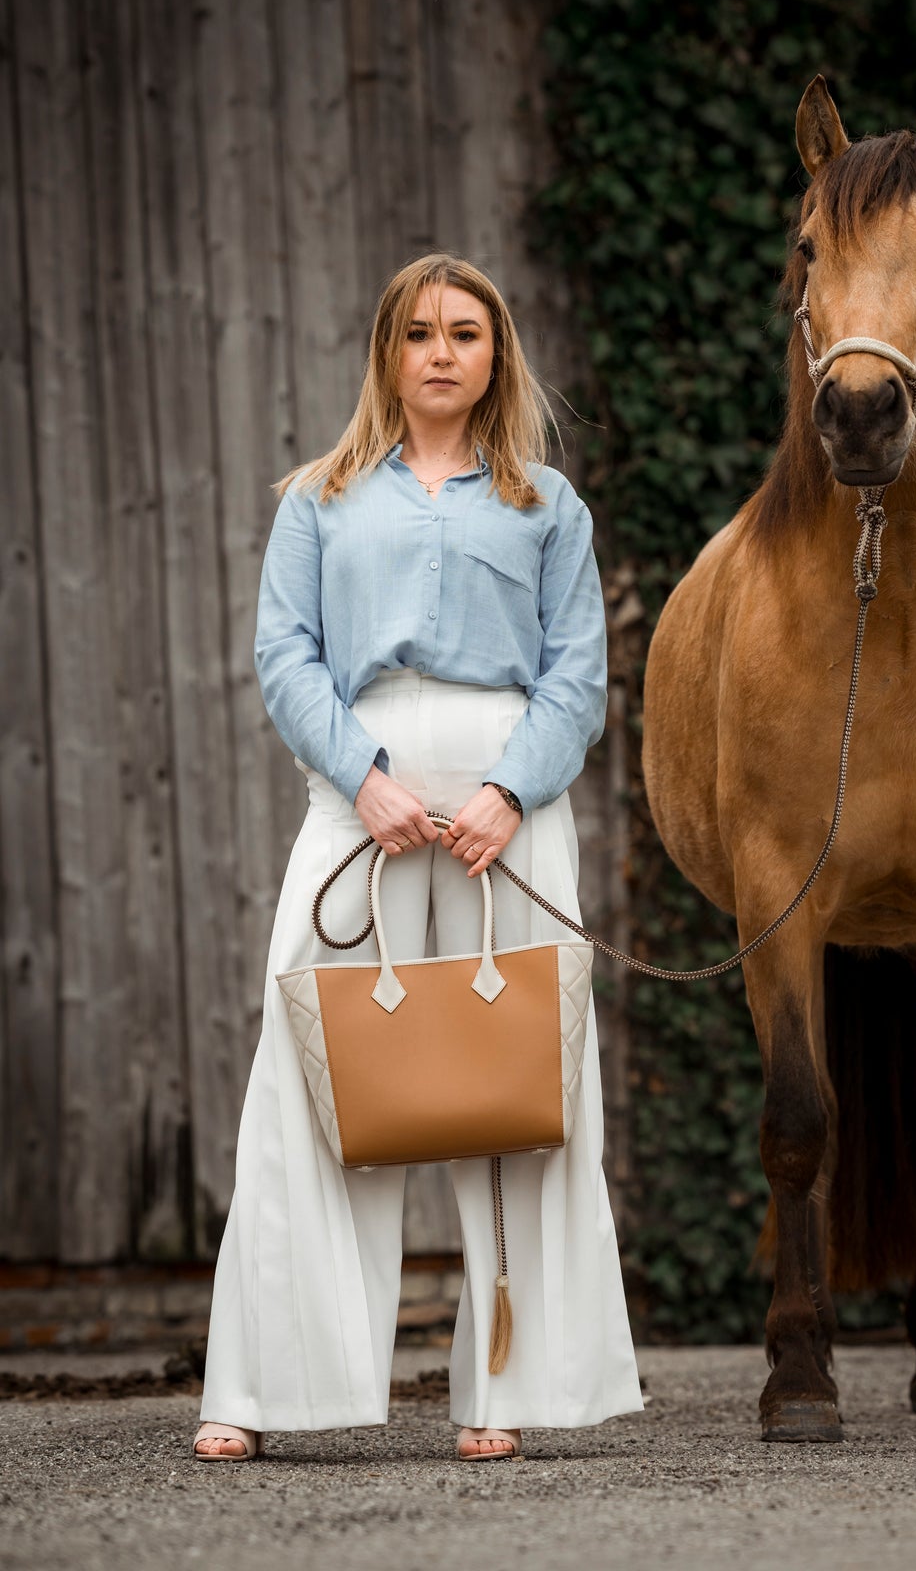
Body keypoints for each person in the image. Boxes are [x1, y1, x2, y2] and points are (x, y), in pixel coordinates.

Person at [192, 253, 643, 1464]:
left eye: (467, 333)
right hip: (360, 812)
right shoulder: (319, 501)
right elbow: (286, 656)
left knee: (514, 1093)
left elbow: (578, 675)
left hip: (511, 819)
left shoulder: (551, 505)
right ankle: (259, 1388)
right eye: (421, 334)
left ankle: (504, 1386)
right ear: (388, 353)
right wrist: (367, 778)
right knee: (307, 1085)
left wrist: (507, 792)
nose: (444, 352)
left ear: (498, 356)